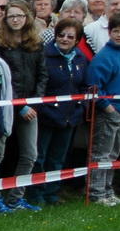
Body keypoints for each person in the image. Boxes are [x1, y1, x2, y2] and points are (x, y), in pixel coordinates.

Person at [0, 0, 46, 212]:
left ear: (27, 18)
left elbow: (43, 75)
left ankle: (16, 197)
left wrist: (33, 104)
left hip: (31, 107)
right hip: (6, 105)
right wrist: (18, 106)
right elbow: (0, 79)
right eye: (11, 15)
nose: (15, 19)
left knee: (30, 154)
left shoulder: (36, 43)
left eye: (19, 15)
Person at [88, 11, 120, 207]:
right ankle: (96, 193)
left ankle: (108, 191)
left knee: (113, 156)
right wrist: (108, 107)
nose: (119, 35)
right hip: (110, 113)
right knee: (101, 154)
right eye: (115, 31)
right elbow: (95, 86)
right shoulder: (104, 57)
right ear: (109, 32)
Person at [35, 19, 88, 204]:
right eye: (61, 35)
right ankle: (36, 195)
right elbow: (39, 85)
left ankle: (52, 193)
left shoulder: (81, 58)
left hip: (70, 116)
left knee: (58, 158)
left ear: (77, 39)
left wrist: (81, 107)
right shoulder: (44, 55)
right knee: (39, 157)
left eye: (70, 36)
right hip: (46, 115)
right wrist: (42, 109)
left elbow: (84, 86)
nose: (64, 39)